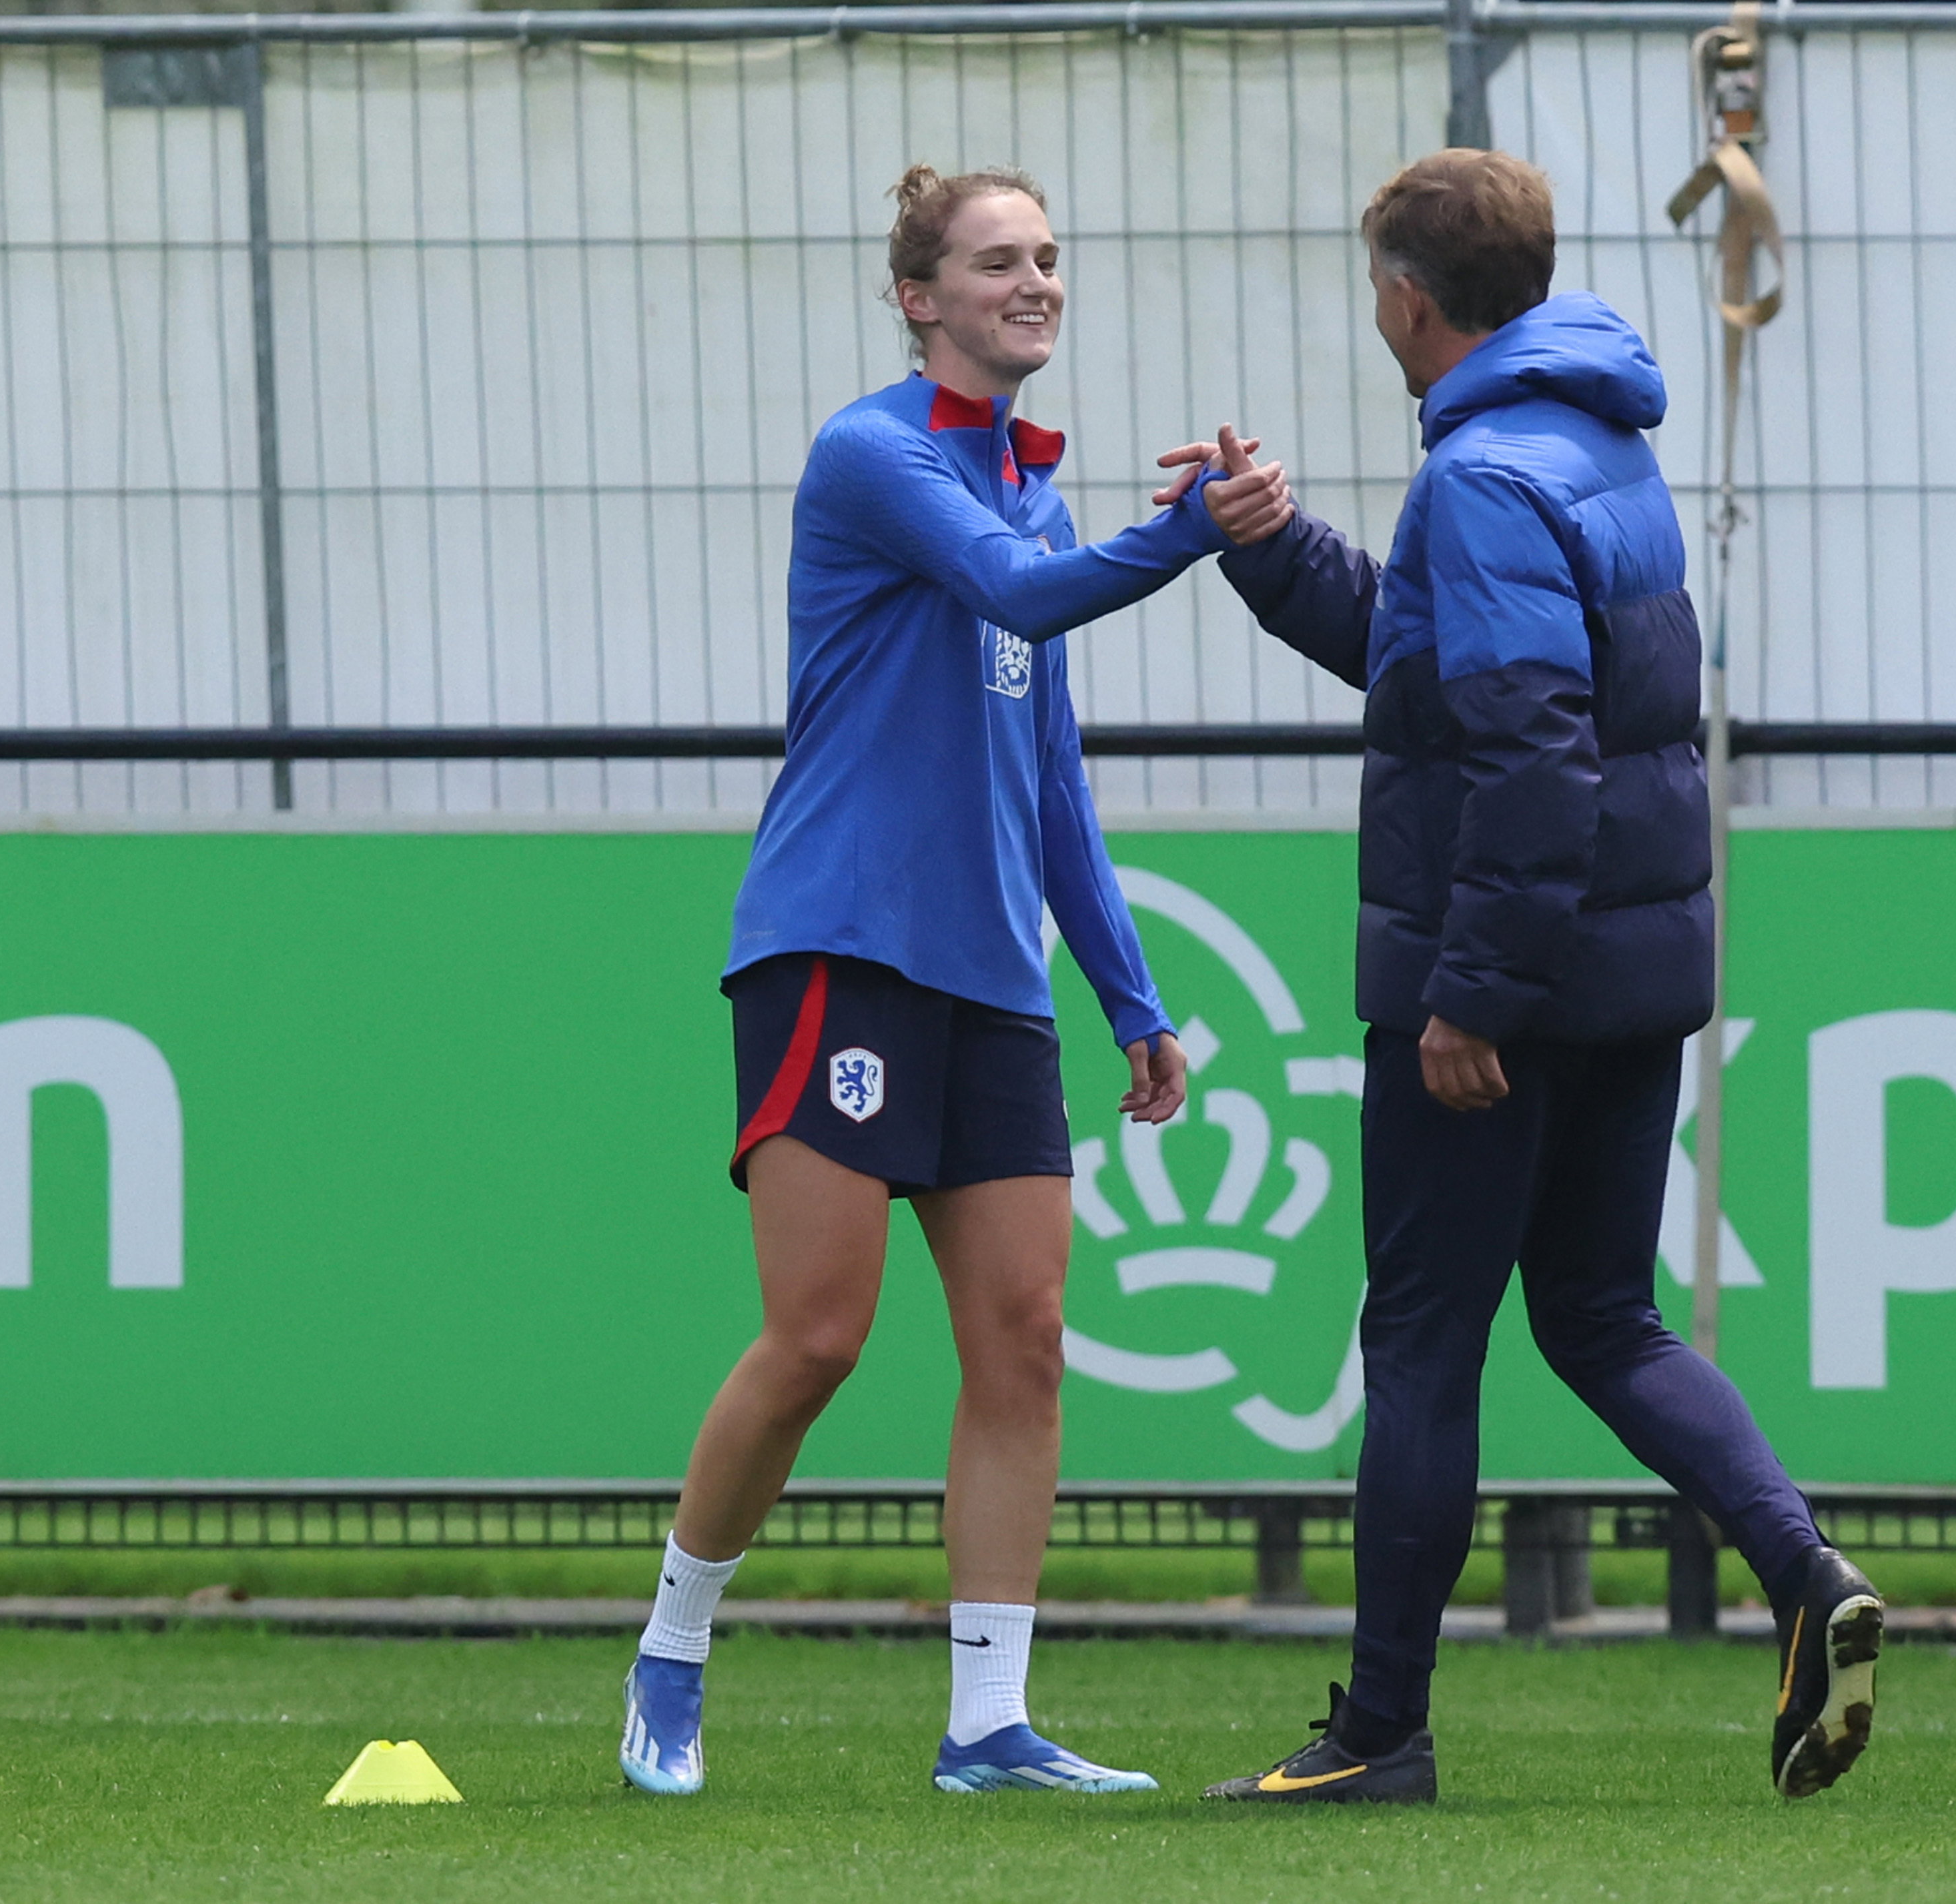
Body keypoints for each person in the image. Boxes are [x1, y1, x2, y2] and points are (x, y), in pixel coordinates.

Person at [1165, 149, 1883, 1805]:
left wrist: (1472, 993)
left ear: (1410, 299)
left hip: (1508, 982)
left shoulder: (1482, 472)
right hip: (1626, 966)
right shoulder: (1590, 436)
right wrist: (1271, 548)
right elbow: (1438, 666)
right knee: (1604, 1318)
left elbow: (1530, 749)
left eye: (1374, 282)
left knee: (1423, 1342)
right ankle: (1802, 1571)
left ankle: (1379, 1733)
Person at [618, 163, 1286, 1799]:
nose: (1033, 279)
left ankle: (987, 1721)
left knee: (1026, 1338)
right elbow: (1021, 592)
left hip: (992, 982)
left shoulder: (1031, 491)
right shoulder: (876, 455)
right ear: (918, 298)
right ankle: (671, 1652)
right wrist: (1189, 528)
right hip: (838, 946)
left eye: (1046, 255)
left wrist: (1129, 996)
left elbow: (1051, 779)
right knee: (817, 1337)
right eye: (996, 261)